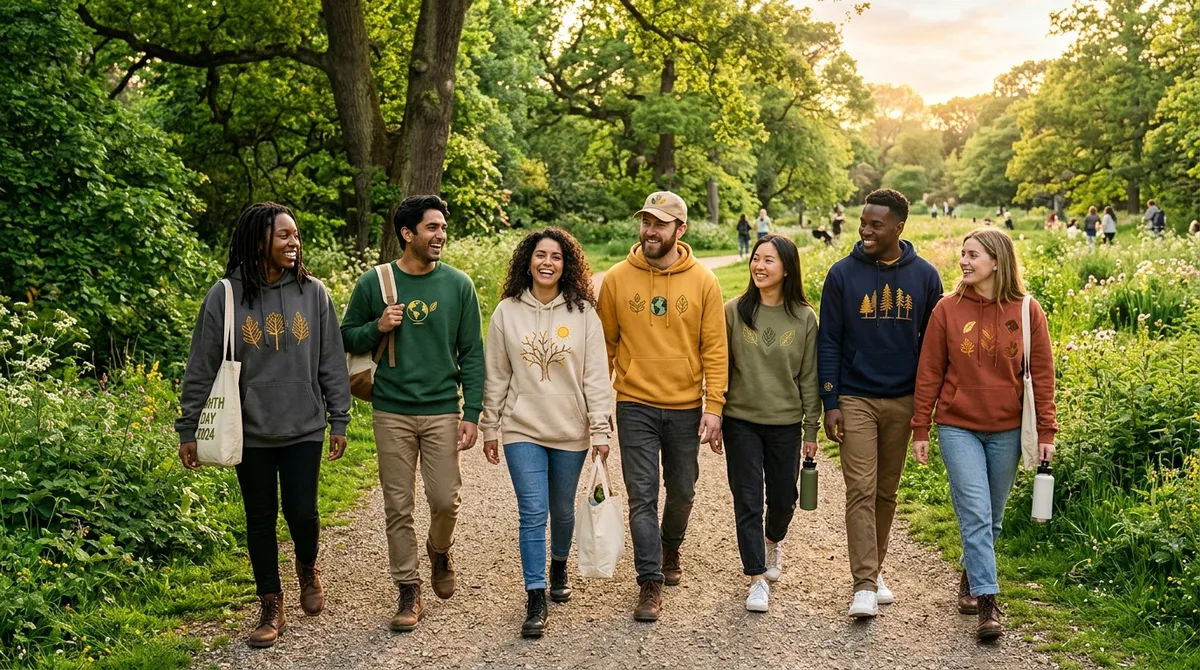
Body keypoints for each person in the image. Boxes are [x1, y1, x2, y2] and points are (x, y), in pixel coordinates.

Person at [176, 202, 352, 649]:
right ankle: (271, 605)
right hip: (249, 428)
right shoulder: (225, 296)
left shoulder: (313, 292)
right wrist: (188, 427)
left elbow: (331, 360)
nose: (294, 243)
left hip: (304, 425)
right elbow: (201, 365)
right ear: (259, 242)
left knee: (302, 511)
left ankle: (308, 566)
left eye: (296, 235)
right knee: (259, 518)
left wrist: (339, 418)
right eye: (284, 236)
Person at [340, 194, 485, 632]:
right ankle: (408, 588)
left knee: (445, 500)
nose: (440, 235)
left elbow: (472, 353)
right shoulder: (375, 282)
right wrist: (377, 326)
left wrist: (472, 412)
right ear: (408, 234)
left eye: (443, 228)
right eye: (432, 228)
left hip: (442, 409)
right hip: (391, 410)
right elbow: (346, 336)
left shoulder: (459, 285)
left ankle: (439, 550)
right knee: (398, 505)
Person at [911, 227, 1057, 641]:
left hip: (1008, 429)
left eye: (973, 254)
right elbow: (929, 372)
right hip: (958, 427)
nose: (964, 261)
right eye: (963, 253)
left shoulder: (1027, 311)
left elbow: (1042, 376)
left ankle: (971, 577)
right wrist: (921, 425)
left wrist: (1046, 430)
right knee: (975, 513)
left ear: (996, 261)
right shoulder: (947, 309)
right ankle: (989, 603)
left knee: (991, 519)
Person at [597, 190, 728, 622]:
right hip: (634, 402)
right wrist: (598, 406)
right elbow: (604, 347)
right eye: (646, 222)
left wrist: (714, 405)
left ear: (680, 229)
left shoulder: (704, 281)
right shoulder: (616, 279)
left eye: (660, 223)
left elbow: (715, 349)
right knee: (641, 495)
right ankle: (649, 581)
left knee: (683, 489)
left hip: (686, 405)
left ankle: (671, 545)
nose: (650, 231)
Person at [480, 228, 613, 638]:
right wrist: (490, 425)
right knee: (533, 512)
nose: (547, 263)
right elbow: (496, 375)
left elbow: (596, 376)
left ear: (566, 265)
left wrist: (600, 429)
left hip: (570, 429)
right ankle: (535, 595)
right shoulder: (506, 312)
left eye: (556, 257)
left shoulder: (583, 314)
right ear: (528, 261)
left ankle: (558, 565)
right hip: (522, 428)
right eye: (540, 255)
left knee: (563, 509)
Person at [817, 188, 943, 618]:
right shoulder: (841, 274)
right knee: (861, 489)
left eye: (876, 224)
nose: (865, 230)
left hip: (903, 398)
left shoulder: (925, 276)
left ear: (898, 227)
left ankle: (875, 567)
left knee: (886, 492)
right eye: (863, 222)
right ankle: (864, 585)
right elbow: (829, 340)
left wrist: (925, 406)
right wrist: (830, 400)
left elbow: (933, 346)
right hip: (855, 396)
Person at [721, 234, 820, 614]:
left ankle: (773, 539)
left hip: (785, 422)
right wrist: (714, 413)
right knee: (747, 499)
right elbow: (720, 367)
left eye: (768, 260)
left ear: (787, 268)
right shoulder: (734, 311)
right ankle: (756, 578)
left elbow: (809, 377)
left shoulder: (804, 318)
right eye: (756, 258)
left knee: (783, 498)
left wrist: (811, 429)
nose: (759, 266)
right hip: (740, 421)